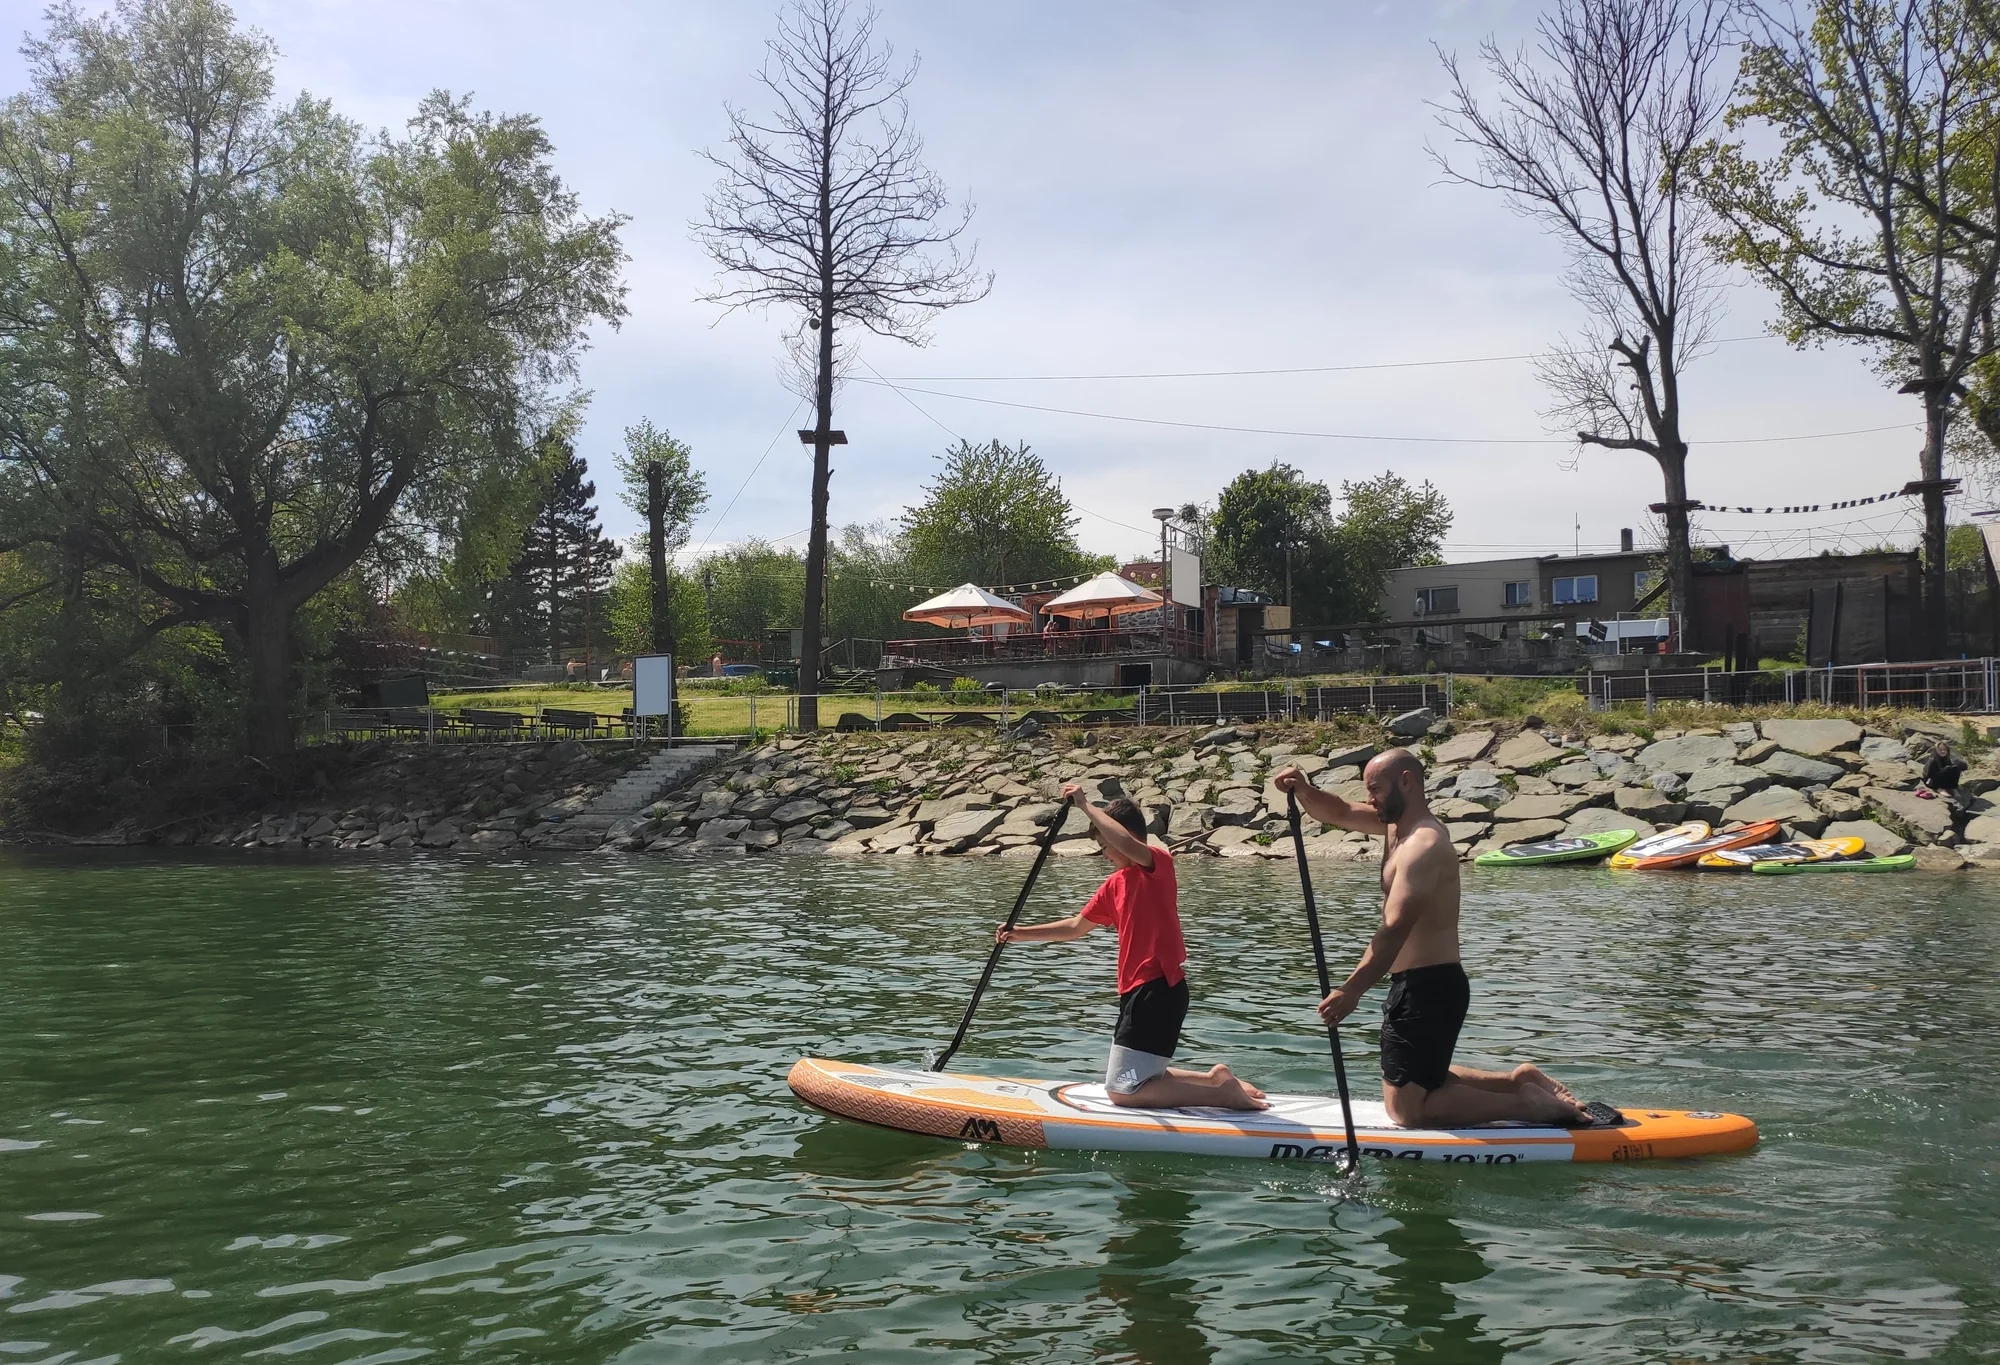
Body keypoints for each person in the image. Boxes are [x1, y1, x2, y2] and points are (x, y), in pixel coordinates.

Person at [1273, 750, 1591, 1128]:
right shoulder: (1395, 827)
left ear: (1406, 782)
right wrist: (1304, 790)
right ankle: (1518, 1083)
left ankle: (1528, 1106)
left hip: (1429, 987)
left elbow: (1396, 927)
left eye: (1376, 789)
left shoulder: (1423, 845)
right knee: (1424, 1083)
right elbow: (1339, 812)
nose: (1371, 799)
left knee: (1408, 1110)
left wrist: (1352, 989)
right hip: (1420, 985)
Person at [997, 784, 1269, 1111]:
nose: (1104, 854)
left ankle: (1223, 1097)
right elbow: (1075, 927)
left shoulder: (1157, 864)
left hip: (1158, 989)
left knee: (1123, 1092)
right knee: (1138, 1077)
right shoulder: (1114, 885)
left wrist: (1084, 805)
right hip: (1137, 993)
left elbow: (1126, 843)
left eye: (1104, 845)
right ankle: (1214, 1081)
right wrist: (1020, 934)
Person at [1922, 741, 1968, 810]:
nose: (1943, 751)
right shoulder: (1932, 760)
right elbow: (1927, 775)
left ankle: (1953, 788)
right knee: (1948, 768)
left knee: (1955, 768)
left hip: (1943, 780)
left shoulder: (1946, 759)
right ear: (1936, 751)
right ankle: (1940, 789)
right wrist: (1931, 786)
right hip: (1934, 782)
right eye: (1940, 750)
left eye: (1944, 749)